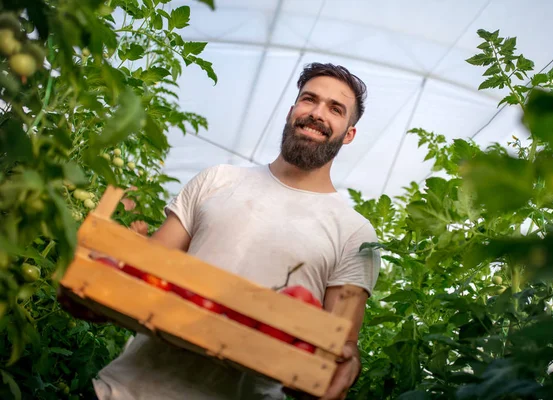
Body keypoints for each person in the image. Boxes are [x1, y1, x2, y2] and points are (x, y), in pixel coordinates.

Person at [77, 62, 381, 399]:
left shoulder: (355, 233)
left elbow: (341, 343)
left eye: (335, 108)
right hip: (124, 391)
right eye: (309, 100)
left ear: (349, 133)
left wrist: (344, 366)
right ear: (292, 110)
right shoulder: (217, 179)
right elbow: (147, 272)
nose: (317, 113)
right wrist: (96, 288)